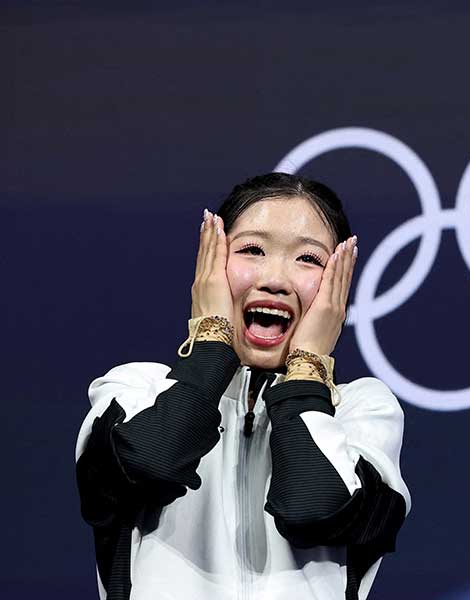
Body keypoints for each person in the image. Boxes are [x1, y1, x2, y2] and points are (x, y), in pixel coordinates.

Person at [74, 173, 411, 600]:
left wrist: (306, 370)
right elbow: (151, 467)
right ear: (210, 266)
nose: (275, 279)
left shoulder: (363, 412)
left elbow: (312, 509)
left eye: (308, 259)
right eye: (252, 250)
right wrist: (212, 340)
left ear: (337, 285)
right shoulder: (132, 390)